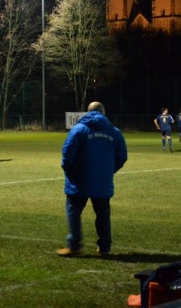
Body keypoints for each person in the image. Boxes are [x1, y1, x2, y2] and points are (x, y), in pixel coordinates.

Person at [56, 101, 128, 257]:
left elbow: (67, 154)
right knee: (102, 214)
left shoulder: (79, 130)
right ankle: (104, 248)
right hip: (102, 182)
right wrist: (108, 171)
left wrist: (71, 172)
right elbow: (122, 157)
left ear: (87, 112)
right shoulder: (114, 132)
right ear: (103, 112)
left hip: (79, 181)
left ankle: (74, 246)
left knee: (73, 212)